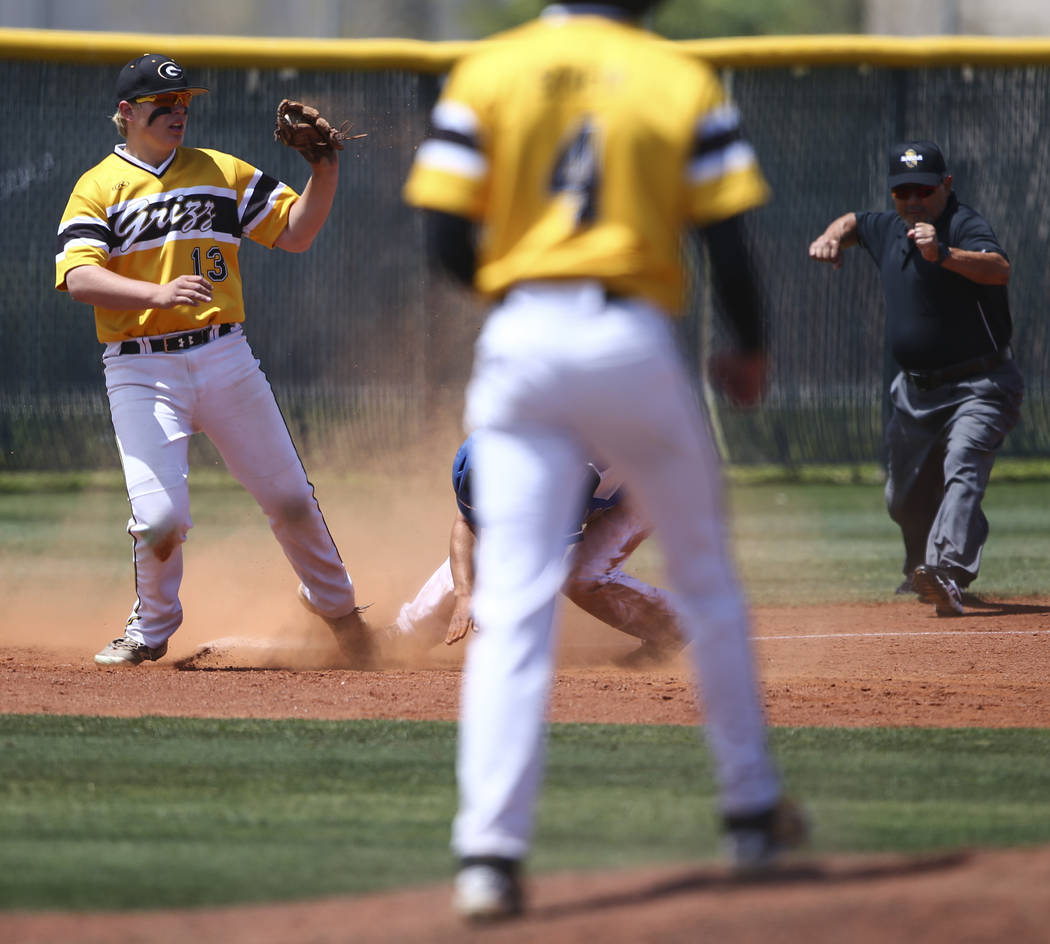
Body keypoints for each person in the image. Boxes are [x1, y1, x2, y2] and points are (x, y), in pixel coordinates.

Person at [404, 1, 807, 922]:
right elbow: (727, 240)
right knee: (707, 583)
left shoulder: (490, 72)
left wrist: (521, 296)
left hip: (521, 338)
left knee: (511, 609)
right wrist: (746, 344)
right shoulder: (677, 76)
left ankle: (488, 858)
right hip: (630, 334)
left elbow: (442, 240)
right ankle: (750, 813)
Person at [55, 54, 374, 667]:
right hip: (139, 368)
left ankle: (338, 611)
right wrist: (156, 293)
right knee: (161, 518)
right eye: (163, 104)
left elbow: (295, 233)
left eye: (184, 103)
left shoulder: (219, 170)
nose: (179, 112)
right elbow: (78, 276)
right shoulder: (99, 186)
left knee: (290, 501)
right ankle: (150, 629)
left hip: (225, 356)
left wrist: (324, 169)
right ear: (126, 113)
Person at [809, 140, 1023, 617]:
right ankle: (921, 566)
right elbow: (853, 221)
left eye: (923, 191)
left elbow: (999, 269)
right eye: (902, 192)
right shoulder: (888, 227)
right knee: (903, 496)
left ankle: (947, 570)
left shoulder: (963, 223)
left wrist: (943, 253)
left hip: (980, 385)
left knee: (963, 467)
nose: (913, 201)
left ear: (945, 186)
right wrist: (830, 236)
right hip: (915, 390)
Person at [388, 434, 684, 669]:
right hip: (597, 480)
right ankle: (402, 639)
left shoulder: (564, 474)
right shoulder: (481, 450)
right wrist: (465, 596)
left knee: (583, 578)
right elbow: (466, 521)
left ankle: (673, 626)